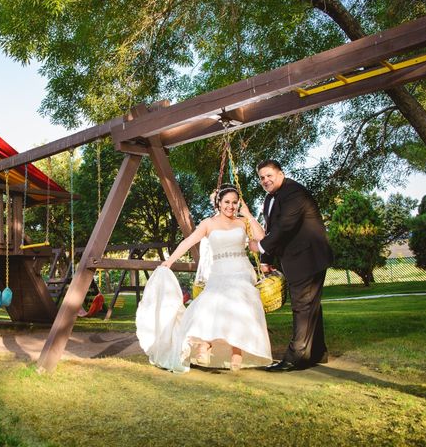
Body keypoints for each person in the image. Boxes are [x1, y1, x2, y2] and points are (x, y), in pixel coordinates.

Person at [135, 184, 272, 373]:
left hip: (241, 269)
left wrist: (248, 215)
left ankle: (237, 351)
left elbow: (262, 238)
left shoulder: (242, 222)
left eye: (234, 203)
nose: (230, 207)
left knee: (241, 305)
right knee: (210, 303)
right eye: (226, 202)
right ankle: (205, 344)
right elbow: (188, 242)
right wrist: (170, 261)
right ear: (219, 203)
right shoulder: (208, 223)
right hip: (220, 271)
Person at [248, 160, 333, 372]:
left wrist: (259, 247)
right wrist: (267, 260)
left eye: (269, 175)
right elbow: (272, 229)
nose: (265, 180)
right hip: (297, 259)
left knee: (302, 306)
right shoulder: (270, 198)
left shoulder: (294, 193)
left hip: (308, 259)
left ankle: (295, 358)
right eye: (262, 178)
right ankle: (317, 352)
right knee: (311, 307)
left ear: (281, 174)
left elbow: (285, 227)